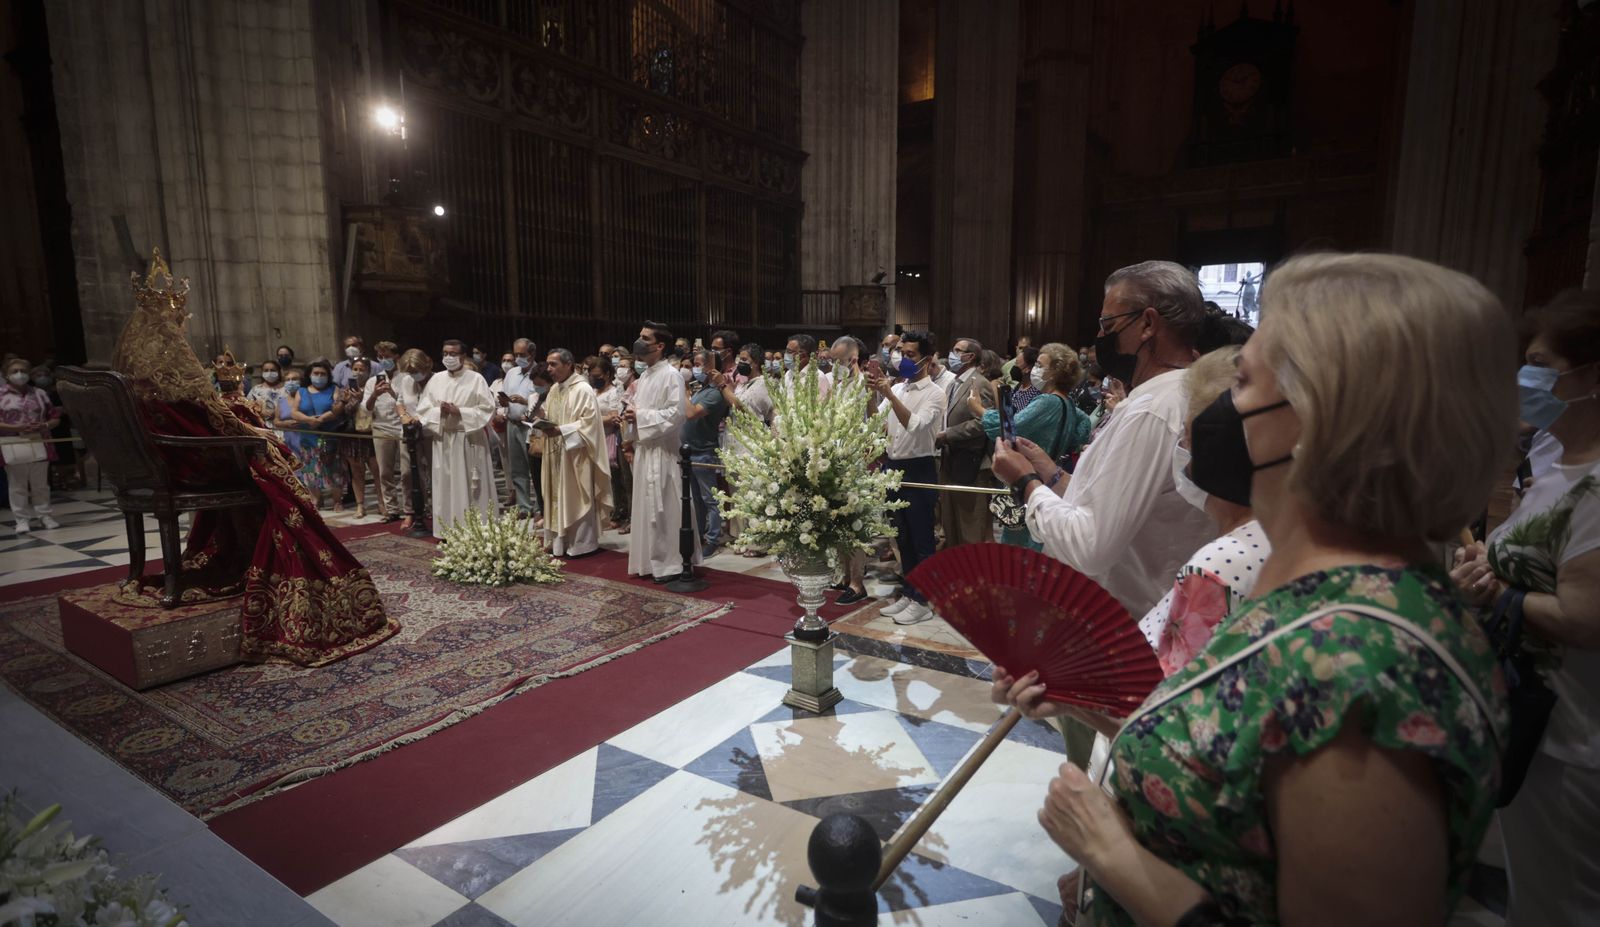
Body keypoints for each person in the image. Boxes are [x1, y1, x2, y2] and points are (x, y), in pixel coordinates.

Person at [996, 252, 1513, 925]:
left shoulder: (1363, 663)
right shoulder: (1314, 583)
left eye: (1238, 381)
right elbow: (1233, 756)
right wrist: (1078, 697)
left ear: (1318, 417)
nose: (1208, 416)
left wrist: (1110, 849)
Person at [110, 253, 397, 664]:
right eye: (177, 323)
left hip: (165, 466)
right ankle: (300, 580)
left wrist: (246, 428)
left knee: (266, 456)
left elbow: (205, 417)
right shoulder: (170, 372)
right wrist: (252, 433)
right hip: (192, 467)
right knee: (277, 481)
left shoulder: (137, 373)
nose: (180, 330)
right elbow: (210, 420)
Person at [992, 260, 1215, 768]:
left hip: (1113, 628)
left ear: (1148, 324)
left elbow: (1092, 543)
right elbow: (1112, 505)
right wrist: (1049, 473)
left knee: (1101, 770)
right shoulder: (1172, 395)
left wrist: (1023, 484)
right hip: (1142, 616)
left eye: (1109, 323)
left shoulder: (1150, 409)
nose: (1099, 336)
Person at [1452, 288, 1600, 927]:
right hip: (1531, 715)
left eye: (1541, 363)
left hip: (1576, 732)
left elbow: (1584, 618)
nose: (1524, 379)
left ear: (1591, 376)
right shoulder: (1552, 456)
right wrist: (1487, 564)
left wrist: (1502, 591)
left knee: (1566, 904)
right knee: (1534, 893)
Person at [1143, 345, 1269, 675]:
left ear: (1214, 449)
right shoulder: (1282, 536)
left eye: (1185, 437)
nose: (1179, 451)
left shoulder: (1219, 565)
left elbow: (1167, 715)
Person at [979, 343, 1091, 550]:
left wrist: (980, 410)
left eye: (1040, 365)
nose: (1035, 370)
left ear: (1055, 372)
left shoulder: (1047, 401)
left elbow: (1009, 427)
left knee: (1023, 549)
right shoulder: (1068, 403)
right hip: (1053, 479)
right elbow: (1084, 429)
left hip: (1034, 480)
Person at [870, 331, 946, 625]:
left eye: (910, 354)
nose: (902, 358)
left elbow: (914, 426)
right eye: (900, 352)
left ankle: (924, 599)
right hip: (893, 466)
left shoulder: (935, 393)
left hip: (919, 468)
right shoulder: (898, 388)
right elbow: (876, 420)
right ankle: (910, 592)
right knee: (902, 537)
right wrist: (873, 393)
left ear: (926, 360)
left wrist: (889, 394)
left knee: (922, 538)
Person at [626, 321, 691, 582]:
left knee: (664, 508)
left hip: (663, 452)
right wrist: (630, 419)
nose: (639, 341)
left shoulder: (671, 375)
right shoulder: (644, 377)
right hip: (646, 451)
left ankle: (670, 563)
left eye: (644, 338)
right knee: (646, 507)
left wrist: (639, 416)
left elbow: (676, 415)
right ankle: (650, 562)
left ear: (660, 345)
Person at [416, 339, 499, 537]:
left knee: (472, 487)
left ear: (463, 356)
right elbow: (424, 408)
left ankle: (477, 529)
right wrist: (440, 412)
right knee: (445, 485)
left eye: (453, 354)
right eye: (445, 353)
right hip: (444, 439)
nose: (448, 358)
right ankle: (448, 529)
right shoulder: (436, 380)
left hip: (468, 439)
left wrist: (459, 411)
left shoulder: (475, 379)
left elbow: (488, 409)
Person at [535, 349, 611, 557]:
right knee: (556, 494)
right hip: (555, 454)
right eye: (548, 364)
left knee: (576, 496)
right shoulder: (553, 390)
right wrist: (542, 420)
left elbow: (590, 425)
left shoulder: (583, 390)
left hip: (575, 455)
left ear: (569, 365)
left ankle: (581, 543)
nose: (549, 369)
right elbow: (553, 417)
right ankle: (560, 542)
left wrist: (561, 430)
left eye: (553, 364)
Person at [937, 336, 997, 548]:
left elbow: (983, 423)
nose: (952, 354)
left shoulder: (980, 384)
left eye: (957, 350)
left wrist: (948, 434)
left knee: (970, 526)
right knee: (951, 523)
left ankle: (974, 577)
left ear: (970, 356)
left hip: (971, 463)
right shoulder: (953, 383)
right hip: (950, 460)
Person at [1, 356, 59, 533]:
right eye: (15, 371)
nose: (20, 374)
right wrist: (16, 427)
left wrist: (45, 425)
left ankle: (45, 515)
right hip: (12, 443)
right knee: (17, 484)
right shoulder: (1, 396)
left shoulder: (39, 394)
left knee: (40, 483)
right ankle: (21, 519)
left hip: (39, 441)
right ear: (6, 375)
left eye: (23, 371)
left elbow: (55, 416)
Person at [683, 347, 730, 557]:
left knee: (710, 499)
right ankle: (701, 534)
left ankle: (713, 538)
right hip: (689, 451)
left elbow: (692, 414)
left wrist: (679, 389)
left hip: (704, 450)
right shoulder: (701, 390)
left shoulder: (714, 394)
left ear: (712, 368)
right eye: (695, 364)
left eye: (700, 364)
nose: (695, 368)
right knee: (696, 499)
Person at [289, 358, 349, 510]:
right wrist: (308, 420)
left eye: (323, 373)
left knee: (334, 470)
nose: (319, 376)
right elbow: (294, 412)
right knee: (311, 471)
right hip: (308, 438)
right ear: (309, 374)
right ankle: (316, 500)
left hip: (330, 435)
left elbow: (337, 409)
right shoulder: (302, 391)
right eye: (316, 373)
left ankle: (337, 501)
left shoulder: (333, 389)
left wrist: (322, 419)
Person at [363, 352, 415, 524]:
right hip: (381, 428)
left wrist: (392, 392)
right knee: (385, 472)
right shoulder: (372, 381)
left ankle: (410, 509)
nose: (384, 359)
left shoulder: (406, 378)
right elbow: (366, 408)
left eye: (387, 356)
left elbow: (409, 404)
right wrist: (374, 395)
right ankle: (391, 509)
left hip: (403, 428)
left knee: (407, 472)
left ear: (396, 357)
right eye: (380, 356)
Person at [493, 338, 539, 519]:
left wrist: (525, 401)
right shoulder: (512, 373)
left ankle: (540, 507)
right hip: (512, 423)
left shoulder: (539, 371)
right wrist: (504, 404)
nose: (518, 358)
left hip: (531, 426)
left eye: (522, 355)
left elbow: (543, 399)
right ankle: (524, 506)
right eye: (516, 355)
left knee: (535, 469)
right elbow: (503, 398)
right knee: (518, 469)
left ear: (532, 354)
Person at [340, 359, 383, 518]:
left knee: (377, 471)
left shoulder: (374, 388)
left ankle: (381, 503)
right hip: (353, 435)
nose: (358, 372)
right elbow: (345, 412)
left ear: (369, 371)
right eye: (355, 369)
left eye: (361, 369)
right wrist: (354, 400)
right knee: (357, 472)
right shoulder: (346, 390)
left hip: (371, 434)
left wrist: (364, 397)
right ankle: (360, 505)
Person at [606, 353, 634, 532]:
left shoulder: (636, 386)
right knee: (622, 479)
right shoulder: (618, 388)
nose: (620, 368)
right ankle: (623, 513)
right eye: (619, 365)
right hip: (619, 435)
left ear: (631, 369)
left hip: (632, 438)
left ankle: (633, 517)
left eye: (624, 365)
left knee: (631, 480)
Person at [784, 334, 830, 399]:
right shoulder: (788, 373)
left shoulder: (817, 378)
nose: (786, 354)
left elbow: (821, 406)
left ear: (803, 354)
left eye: (789, 351)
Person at [246, 359, 288, 428]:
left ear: (279, 372)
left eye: (272, 370)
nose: (269, 373)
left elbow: (293, 406)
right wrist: (259, 412)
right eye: (266, 370)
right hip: (262, 427)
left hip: (284, 427)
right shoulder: (256, 390)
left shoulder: (286, 389)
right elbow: (247, 407)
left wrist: (276, 413)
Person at [1008, 346, 1042, 412]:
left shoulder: (1035, 393)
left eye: (1016, 364)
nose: (1014, 367)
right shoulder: (1019, 386)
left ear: (1028, 369)